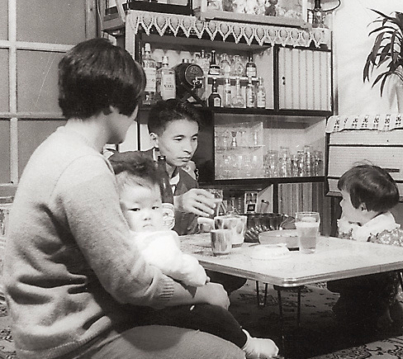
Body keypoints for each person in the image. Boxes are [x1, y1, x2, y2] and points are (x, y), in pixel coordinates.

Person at [2, 38, 245, 359]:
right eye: (135, 102)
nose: (134, 115)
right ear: (112, 104)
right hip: (73, 339)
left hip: (49, 325)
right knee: (226, 353)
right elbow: (132, 283)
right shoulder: (83, 167)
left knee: (199, 320)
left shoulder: (57, 148)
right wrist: (202, 292)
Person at [110, 153, 279, 359]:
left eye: (155, 207)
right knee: (213, 315)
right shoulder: (145, 240)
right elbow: (173, 263)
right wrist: (198, 275)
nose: (148, 215)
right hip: (156, 309)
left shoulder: (131, 231)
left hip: (148, 306)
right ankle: (248, 344)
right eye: (136, 209)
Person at [110, 98, 247, 293]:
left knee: (233, 276)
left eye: (194, 138)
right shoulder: (127, 167)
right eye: (179, 139)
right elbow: (108, 214)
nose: (188, 148)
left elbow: (187, 237)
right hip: (135, 263)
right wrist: (175, 203)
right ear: (155, 139)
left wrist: (206, 226)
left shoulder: (188, 181)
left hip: (175, 261)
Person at [327, 164, 403, 334]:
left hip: (385, 295)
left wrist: (385, 308)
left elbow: (390, 281)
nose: (340, 203)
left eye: (344, 199)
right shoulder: (352, 225)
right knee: (344, 313)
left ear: (363, 208)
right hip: (358, 282)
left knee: (371, 321)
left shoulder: (386, 234)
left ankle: (380, 315)